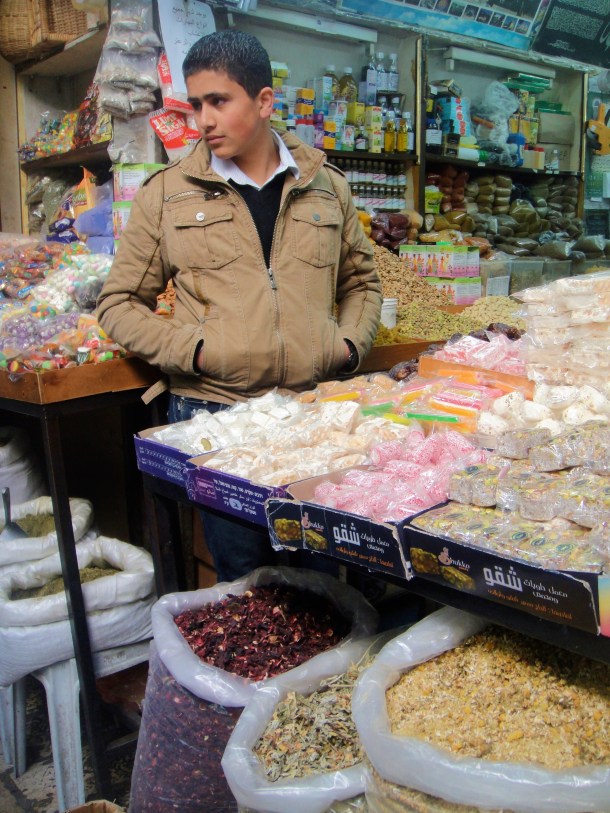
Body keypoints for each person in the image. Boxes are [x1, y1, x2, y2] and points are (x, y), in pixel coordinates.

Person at [97, 29, 382, 582]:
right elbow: (118, 302)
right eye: (196, 103)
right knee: (246, 585)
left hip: (312, 415)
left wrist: (345, 346)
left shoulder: (325, 187)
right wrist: (195, 352)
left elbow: (363, 286)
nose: (203, 119)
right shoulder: (168, 193)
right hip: (218, 418)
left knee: (322, 577)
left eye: (218, 101)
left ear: (264, 101)